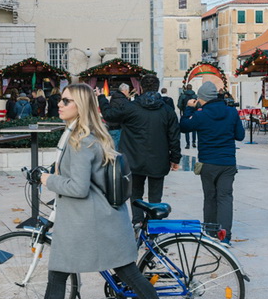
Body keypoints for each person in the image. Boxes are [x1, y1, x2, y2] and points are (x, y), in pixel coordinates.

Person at [0, 83, 183, 299]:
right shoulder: (91, 134)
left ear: (81, 106)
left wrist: (47, 179)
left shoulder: (80, 140)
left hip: (90, 223)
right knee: (124, 275)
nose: (59, 104)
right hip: (100, 220)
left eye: (66, 101)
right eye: (61, 100)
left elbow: (78, 187)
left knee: (70, 275)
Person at [99, 74, 181, 222]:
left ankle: (137, 223)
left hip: (134, 158)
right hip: (158, 159)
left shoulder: (130, 108)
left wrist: (102, 98)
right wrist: (175, 158)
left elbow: (109, 115)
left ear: (140, 88)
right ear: (157, 87)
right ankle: (153, 226)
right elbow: (174, 136)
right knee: (156, 196)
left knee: (136, 194)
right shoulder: (167, 110)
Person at [180, 81, 245, 242]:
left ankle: (210, 233)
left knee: (210, 197)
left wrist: (189, 108)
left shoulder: (200, 115)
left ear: (202, 98)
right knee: (225, 197)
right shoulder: (231, 112)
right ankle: (225, 237)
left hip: (208, 162)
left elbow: (184, 126)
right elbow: (240, 135)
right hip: (227, 162)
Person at [177, 83, 197, 149]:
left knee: (187, 128)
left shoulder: (183, 96)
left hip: (185, 112)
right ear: (191, 88)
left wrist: (182, 109)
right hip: (193, 113)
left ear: (186, 88)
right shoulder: (195, 96)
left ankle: (187, 144)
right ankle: (194, 142)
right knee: (194, 128)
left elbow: (179, 105)